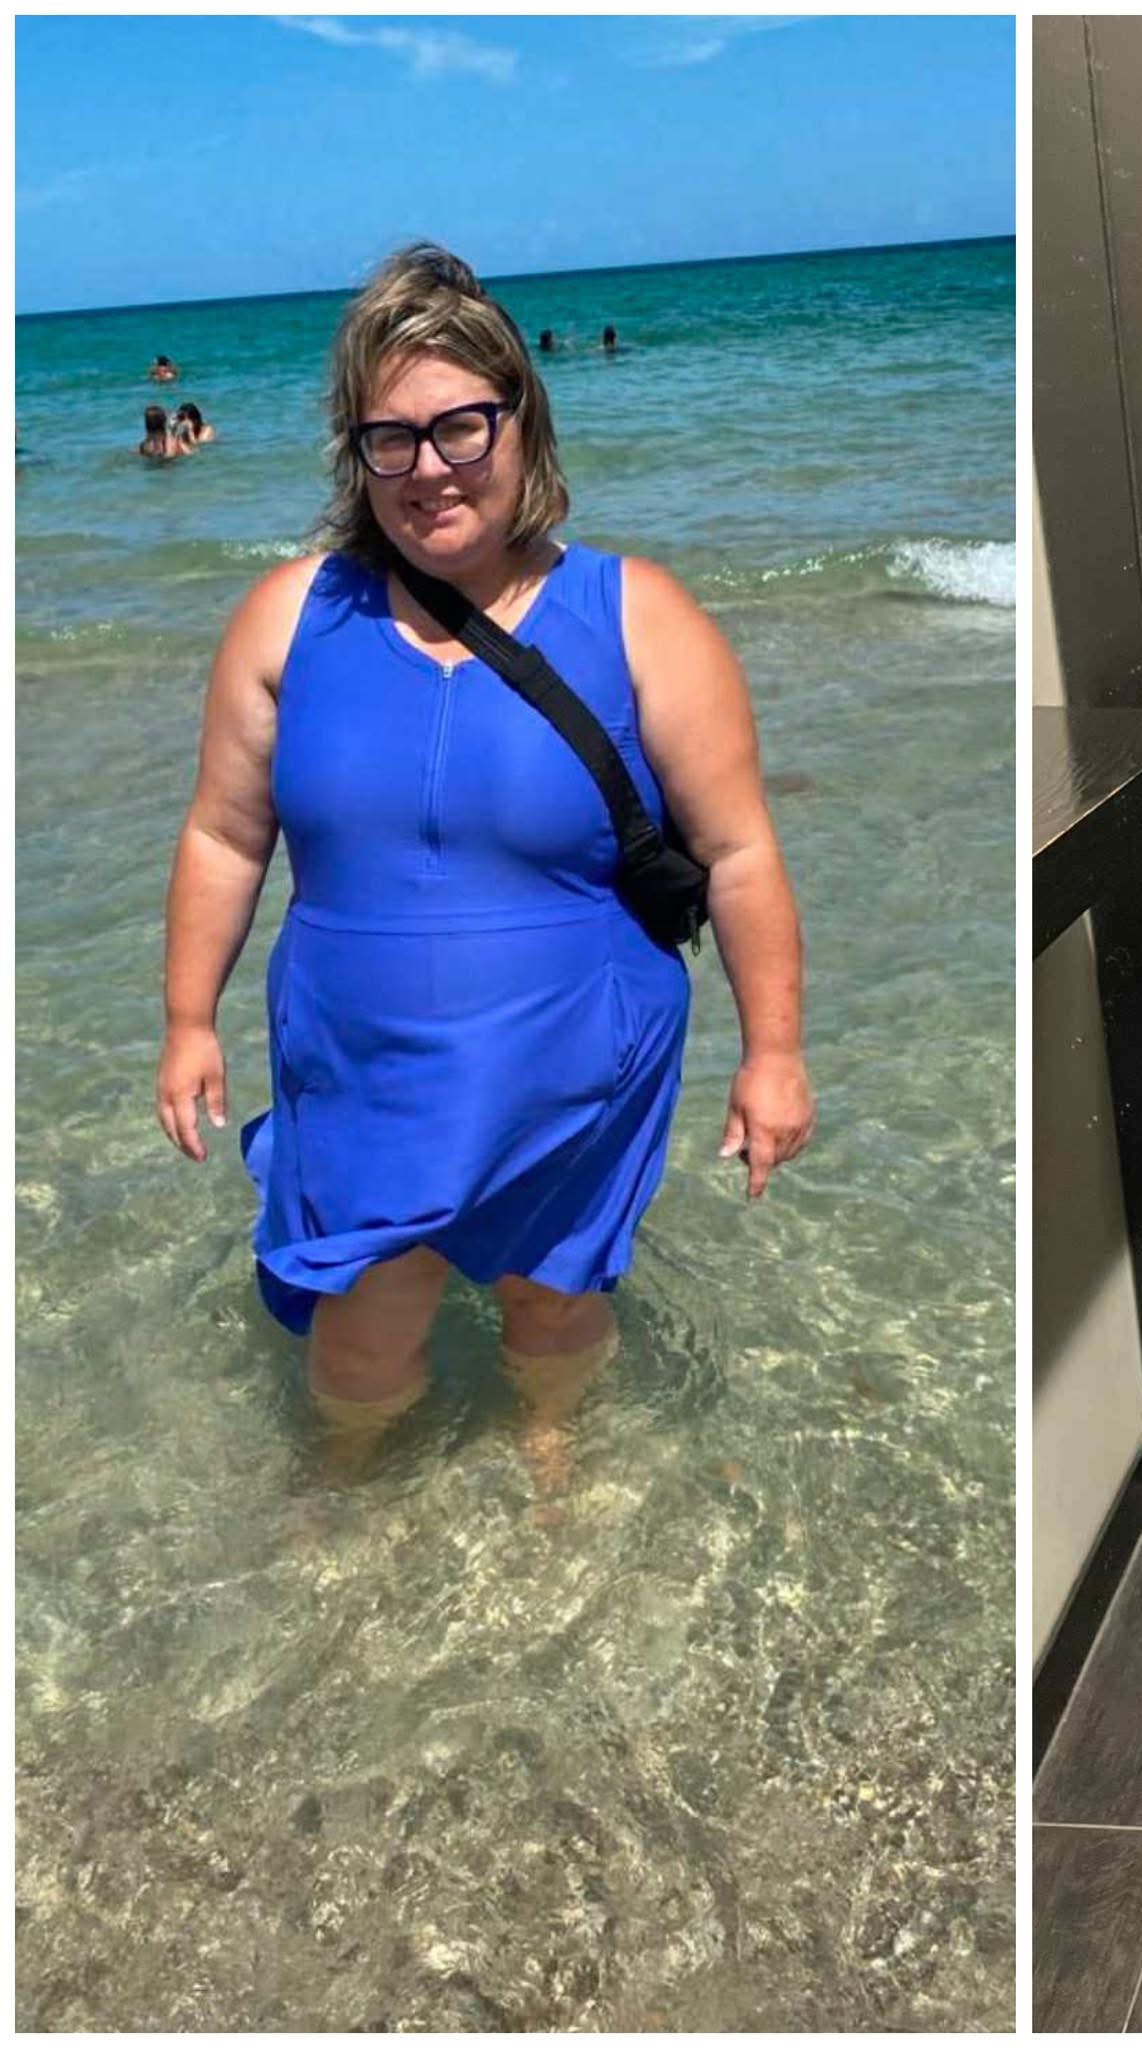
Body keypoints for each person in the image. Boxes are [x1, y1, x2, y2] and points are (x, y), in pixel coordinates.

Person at [155, 241, 816, 1489]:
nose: (430, 469)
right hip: (361, 1061)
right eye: (388, 439)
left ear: (523, 421)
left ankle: (553, 1472)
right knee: (363, 1328)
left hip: (575, 1057)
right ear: (355, 454)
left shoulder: (639, 615)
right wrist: (188, 1018)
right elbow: (223, 833)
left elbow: (737, 851)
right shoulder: (291, 616)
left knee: (551, 1305)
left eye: (463, 426)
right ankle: (351, 1508)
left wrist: (773, 1057)